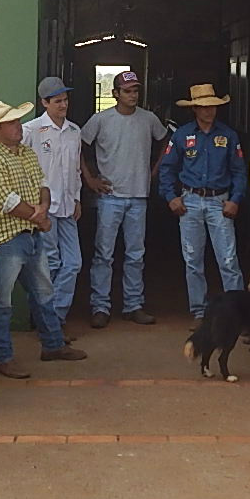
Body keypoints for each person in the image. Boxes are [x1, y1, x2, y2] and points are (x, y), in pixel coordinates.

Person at [0, 101, 88, 377]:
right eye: (12, 123)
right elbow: (9, 202)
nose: (18, 127)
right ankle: (2, 356)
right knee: (2, 301)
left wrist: (42, 209)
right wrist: (40, 217)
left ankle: (52, 345)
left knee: (43, 293)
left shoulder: (25, 153)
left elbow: (42, 184)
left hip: (32, 234)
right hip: (7, 239)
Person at [80, 70, 167, 327]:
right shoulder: (100, 120)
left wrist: (154, 171)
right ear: (115, 93)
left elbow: (166, 142)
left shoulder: (148, 119)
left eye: (135, 91)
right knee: (103, 254)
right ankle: (100, 306)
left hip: (139, 196)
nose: (132, 95)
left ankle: (133, 305)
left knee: (135, 254)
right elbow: (78, 147)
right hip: (110, 197)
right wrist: (90, 179)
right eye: (127, 91)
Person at [157, 83, 248, 320]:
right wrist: (171, 197)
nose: (209, 111)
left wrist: (235, 200)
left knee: (228, 260)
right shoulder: (182, 135)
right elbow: (166, 169)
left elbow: (239, 171)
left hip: (220, 201)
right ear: (195, 109)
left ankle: (237, 314)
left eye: (212, 106)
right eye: (203, 107)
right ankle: (199, 312)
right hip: (190, 201)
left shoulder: (228, 135)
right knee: (192, 260)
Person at [22, 76, 85, 327]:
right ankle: (48, 322)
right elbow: (23, 168)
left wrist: (78, 198)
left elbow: (76, 170)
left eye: (65, 100)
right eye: (57, 101)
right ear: (44, 103)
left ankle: (54, 316)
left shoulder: (74, 131)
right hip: (44, 208)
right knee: (51, 263)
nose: (63, 105)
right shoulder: (31, 130)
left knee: (73, 263)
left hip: (68, 206)